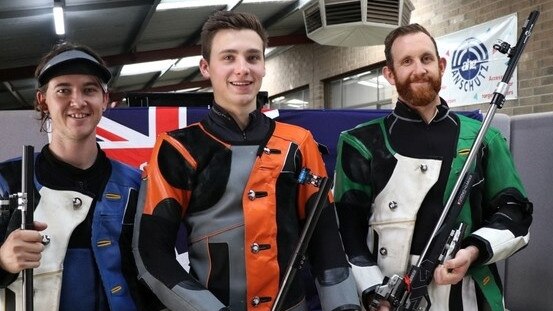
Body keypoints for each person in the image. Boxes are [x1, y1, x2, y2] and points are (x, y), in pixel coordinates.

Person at [132, 10, 360, 311]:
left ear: (264, 66)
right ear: (205, 67)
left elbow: (327, 243)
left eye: (253, 57)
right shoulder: (176, 148)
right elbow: (151, 255)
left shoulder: (299, 142)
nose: (242, 69)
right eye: (228, 58)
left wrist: (346, 307)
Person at [333, 23, 533, 311]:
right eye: (406, 61)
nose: (419, 69)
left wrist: (473, 251)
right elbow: (346, 232)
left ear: (441, 65)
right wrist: (373, 291)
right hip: (390, 297)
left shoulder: (485, 138)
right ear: (390, 74)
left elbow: (516, 213)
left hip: (469, 294)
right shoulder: (360, 142)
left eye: (426, 59)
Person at [0, 42, 163, 311]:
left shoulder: (137, 185)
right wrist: (3, 261)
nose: (78, 101)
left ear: (105, 100)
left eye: (89, 89)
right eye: (63, 90)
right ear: (43, 101)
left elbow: (157, 274)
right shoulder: (7, 182)